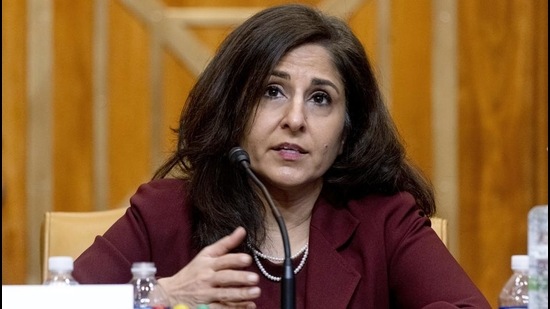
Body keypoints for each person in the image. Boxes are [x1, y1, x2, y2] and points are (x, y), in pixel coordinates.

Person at [73, 3, 491, 308]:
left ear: (347, 132)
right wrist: (161, 294)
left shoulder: (383, 221)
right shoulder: (164, 213)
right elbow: (56, 301)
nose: (295, 119)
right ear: (235, 109)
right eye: (272, 91)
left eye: (321, 99)